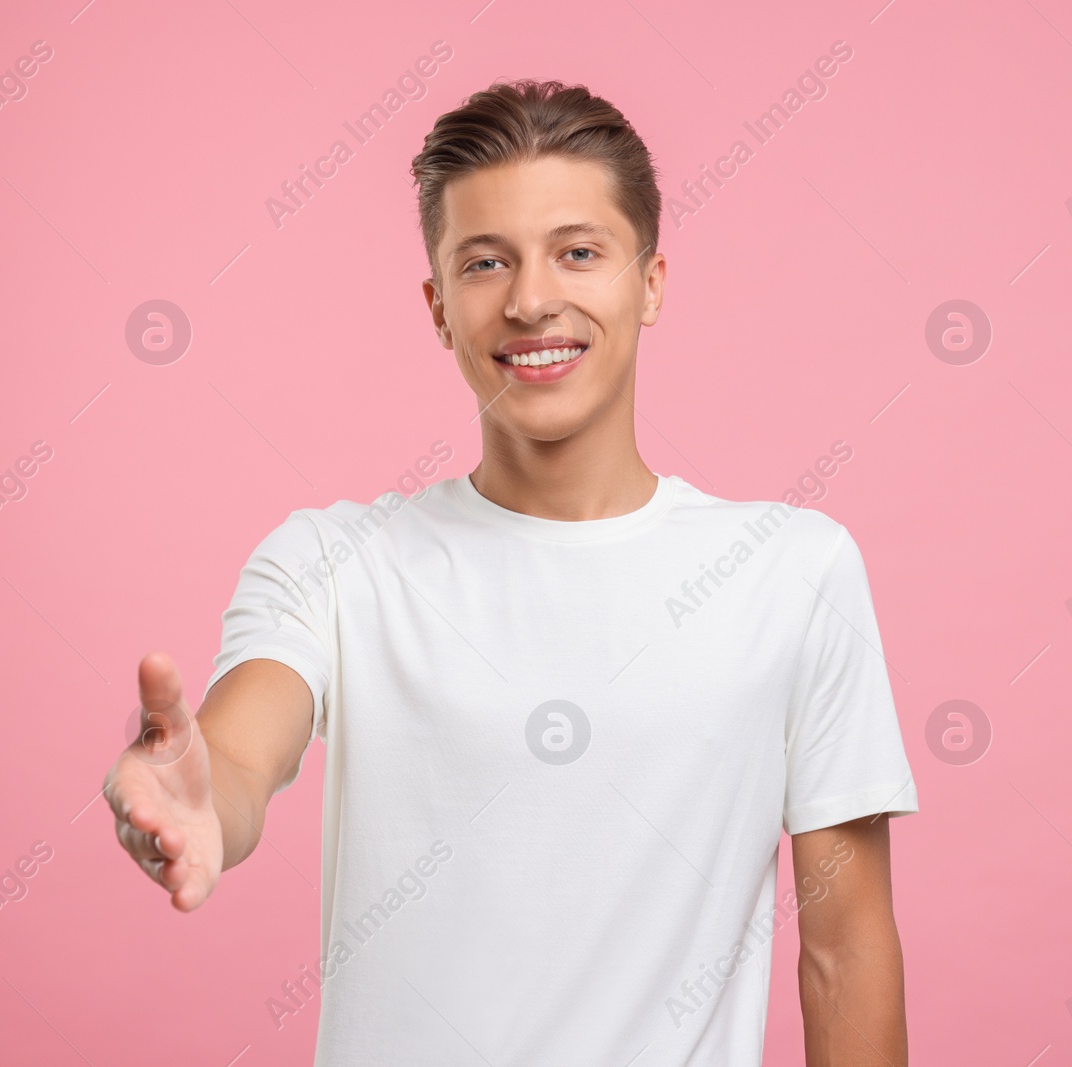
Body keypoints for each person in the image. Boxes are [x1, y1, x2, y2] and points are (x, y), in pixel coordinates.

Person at [102, 78, 918, 1066]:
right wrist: (199, 799)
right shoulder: (337, 561)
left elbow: (844, 949)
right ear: (439, 304)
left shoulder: (793, 570)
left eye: (578, 252)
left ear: (650, 281)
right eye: (486, 262)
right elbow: (238, 757)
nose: (532, 299)